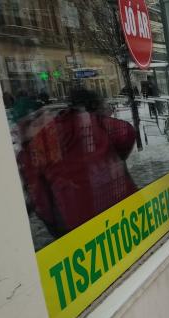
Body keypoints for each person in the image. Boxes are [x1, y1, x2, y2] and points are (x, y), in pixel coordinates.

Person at [17, 88, 137, 237]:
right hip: (125, 214)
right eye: (34, 121)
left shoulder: (32, 156)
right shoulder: (81, 123)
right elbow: (126, 133)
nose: (42, 123)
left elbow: (44, 207)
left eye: (41, 116)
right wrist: (114, 157)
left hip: (87, 232)